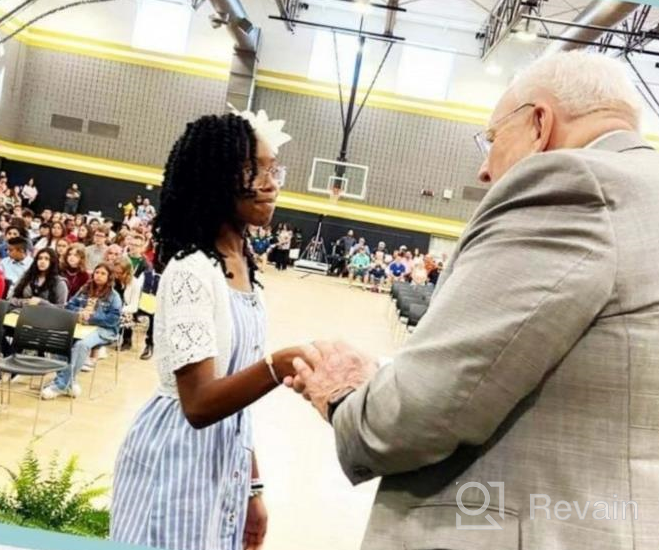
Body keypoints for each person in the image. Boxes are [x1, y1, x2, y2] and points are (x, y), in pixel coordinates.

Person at [287, 51, 659, 550]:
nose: (485, 170)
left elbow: (426, 411)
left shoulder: (574, 183)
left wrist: (346, 399)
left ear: (539, 123)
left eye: (491, 139)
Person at [110, 111, 304, 550]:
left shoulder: (244, 269)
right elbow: (198, 404)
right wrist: (283, 364)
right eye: (257, 170)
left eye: (275, 170)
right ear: (217, 176)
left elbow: (238, 402)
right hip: (176, 463)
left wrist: (253, 488)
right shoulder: (192, 271)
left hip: (223, 465)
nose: (272, 183)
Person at [41, 263, 122, 399]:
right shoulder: (84, 289)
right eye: (97, 272)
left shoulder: (114, 296)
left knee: (81, 345)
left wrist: (92, 317)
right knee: (56, 340)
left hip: (104, 330)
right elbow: (69, 306)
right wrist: (79, 312)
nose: (99, 276)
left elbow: (113, 319)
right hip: (79, 326)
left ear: (109, 277)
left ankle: (60, 385)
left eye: (103, 274)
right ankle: (69, 382)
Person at [112, 257, 142, 352]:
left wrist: (119, 310)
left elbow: (134, 306)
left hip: (129, 309)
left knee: (126, 315)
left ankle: (127, 340)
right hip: (114, 306)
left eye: (120, 273)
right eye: (115, 272)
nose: (116, 275)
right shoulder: (112, 280)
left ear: (127, 272)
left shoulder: (135, 284)